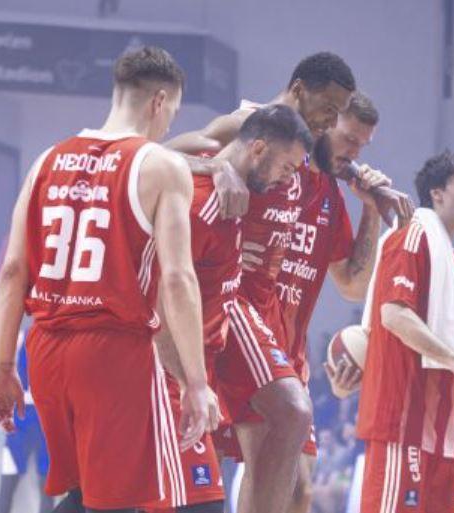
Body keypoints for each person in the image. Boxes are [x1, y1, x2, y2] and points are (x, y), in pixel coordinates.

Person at [0, 46, 218, 512]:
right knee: (116, 502)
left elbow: (12, 271)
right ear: (159, 101)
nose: (168, 125)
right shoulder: (161, 165)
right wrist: (196, 381)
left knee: (82, 494)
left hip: (46, 352)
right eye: (172, 112)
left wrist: (3, 367)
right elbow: (177, 278)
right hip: (110, 352)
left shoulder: (46, 160)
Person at [167, 52, 357, 513]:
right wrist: (215, 167)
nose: (332, 121)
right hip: (228, 298)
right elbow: (162, 154)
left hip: (268, 310)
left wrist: (366, 187)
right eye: (328, 108)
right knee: (245, 436)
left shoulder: (307, 146)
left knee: (282, 450)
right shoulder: (248, 124)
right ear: (298, 89)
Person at [148, 104, 314, 513]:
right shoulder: (202, 198)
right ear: (257, 148)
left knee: (293, 412)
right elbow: (163, 302)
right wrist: (191, 382)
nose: (289, 179)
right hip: (170, 365)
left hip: (214, 333)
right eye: (287, 168)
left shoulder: (241, 196)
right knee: (184, 499)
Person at [277, 92, 414, 513]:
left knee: (300, 490)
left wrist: (370, 209)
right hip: (241, 339)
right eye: (349, 139)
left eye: (362, 145)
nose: (354, 153)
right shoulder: (279, 168)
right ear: (326, 122)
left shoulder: (332, 198)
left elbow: (353, 286)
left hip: (290, 355)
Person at [356, 151, 454, 513]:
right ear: (436, 194)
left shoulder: (453, 259)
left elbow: (441, 341)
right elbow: (394, 315)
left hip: (440, 426)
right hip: (401, 421)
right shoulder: (411, 235)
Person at [0, 330, 53, 513]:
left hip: (46, 416)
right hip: (25, 415)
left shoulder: (59, 338)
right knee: (10, 478)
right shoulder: (22, 337)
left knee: (48, 482)